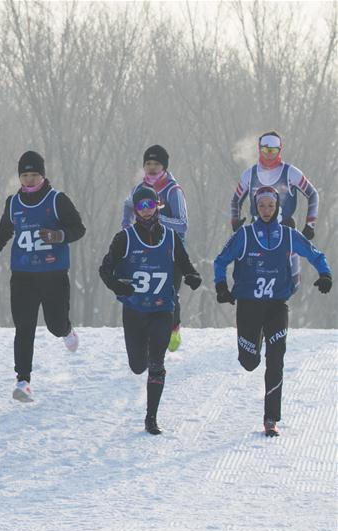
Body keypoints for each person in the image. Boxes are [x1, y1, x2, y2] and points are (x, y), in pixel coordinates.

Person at [214, 185, 331, 437]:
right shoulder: (244, 236)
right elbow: (220, 260)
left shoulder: (288, 235)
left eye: (270, 205)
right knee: (249, 361)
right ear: (255, 208)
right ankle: (251, 348)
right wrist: (221, 286)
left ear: (277, 207)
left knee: (276, 360)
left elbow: (315, 254)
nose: (266, 210)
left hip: (277, 306)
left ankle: (271, 419)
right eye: (262, 205)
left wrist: (325, 274)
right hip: (248, 307)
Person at [0, 150, 86, 402]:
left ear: (43, 175)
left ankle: (67, 330)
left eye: (34, 175)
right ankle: (23, 381)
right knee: (24, 327)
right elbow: (5, 229)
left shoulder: (56, 200)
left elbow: (78, 228)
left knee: (55, 324)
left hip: (53, 273)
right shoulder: (13, 203)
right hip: (23, 275)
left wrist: (57, 236)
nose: (29, 180)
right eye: (24, 175)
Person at [100, 187, 202, 434]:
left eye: (149, 205)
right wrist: (117, 285)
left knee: (157, 363)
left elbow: (184, 263)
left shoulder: (170, 237)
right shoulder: (124, 238)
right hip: (134, 310)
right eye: (140, 206)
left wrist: (192, 275)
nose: (146, 211)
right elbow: (105, 270)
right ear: (135, 210)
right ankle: (145, 352)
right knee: (137, 366)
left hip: (161, 310)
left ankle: (151, 418)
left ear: (158, 205)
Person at [121, 145, 189, 351]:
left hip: (172, 252)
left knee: (169, 293)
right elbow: (128, 206)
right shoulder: (138, 189)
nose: (151, 168)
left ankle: (174, 327)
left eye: (156, 164)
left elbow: (183, 223)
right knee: (146, 292)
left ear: (164, 166)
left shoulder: (172, 190)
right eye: (148, 164)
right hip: (145, 252)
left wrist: (156, 218)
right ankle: (149, 331)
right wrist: (126, 225)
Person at [231, 131, 321, 285]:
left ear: (280, 150)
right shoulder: (249, 175)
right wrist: (235, 221)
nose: (269, 156)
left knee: (291, 282)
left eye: (273, 151)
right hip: (257, 231)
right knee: (250, 279)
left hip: (285, 231)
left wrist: (310, 225)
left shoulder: (290, 173)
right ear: (259, 149)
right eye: (266, 150)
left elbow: (313, 195)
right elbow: (235, 201)